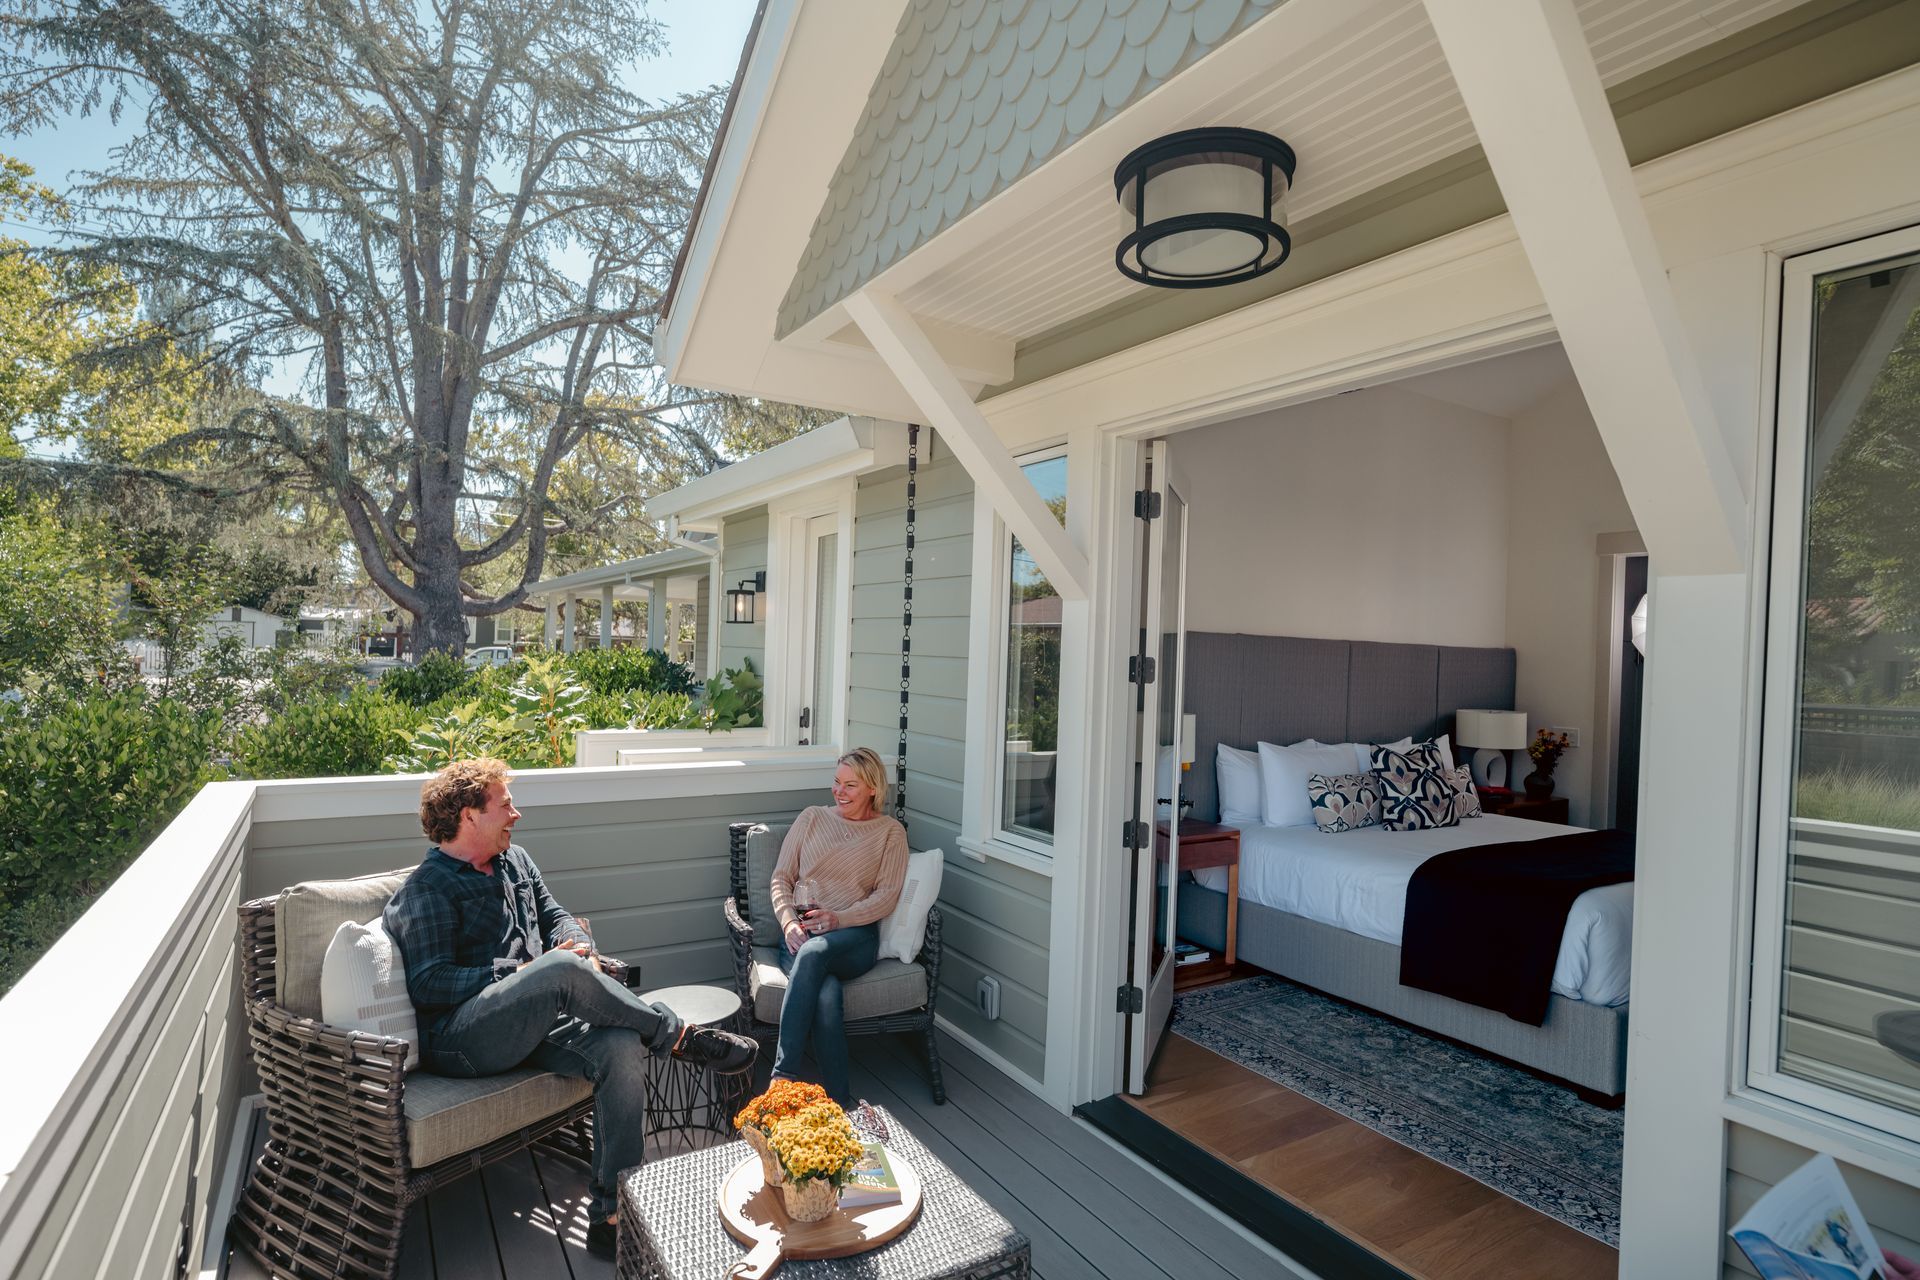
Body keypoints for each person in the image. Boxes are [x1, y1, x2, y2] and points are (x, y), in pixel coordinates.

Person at [383, 758, 757, 1260]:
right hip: (464, 1038)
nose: (516, 814)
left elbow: (558, 916)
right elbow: (429, 984)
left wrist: (578, 946)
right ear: (469, 815)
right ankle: (677, 1036)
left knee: (620, 1042)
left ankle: (609, 1214)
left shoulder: (517, 861)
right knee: (557, 970)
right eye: (504, 804)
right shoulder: (428, 888)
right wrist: (523, 973)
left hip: (537, 1023)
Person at [768, 747, 910, 1103]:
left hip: (854, 938)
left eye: (850, 785)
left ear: (873, 789)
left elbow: (887, 896)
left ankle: (782, 1077)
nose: (839, 792)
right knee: (827, 995)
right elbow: (781, 878)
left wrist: (839, 919)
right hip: (803, 932)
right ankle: (841, 1105)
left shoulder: (890, 833)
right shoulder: (812, 818)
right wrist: (788, 925)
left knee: (816, 953)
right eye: (836, 782)